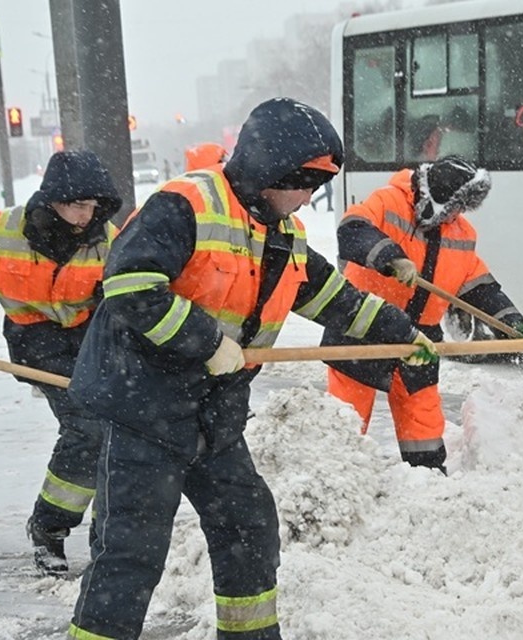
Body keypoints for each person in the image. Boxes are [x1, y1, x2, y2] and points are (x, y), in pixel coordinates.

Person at [64, 97, 438, 640]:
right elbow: (129, 286)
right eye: (304, 181)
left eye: (318, 185)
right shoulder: (186, 204)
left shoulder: (284, 233)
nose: (309, 196)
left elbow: (339, 300)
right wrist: (207, 343)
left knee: (248, 526)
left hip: (215, 413)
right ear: (270, 167)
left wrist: (404, 335)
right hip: (145, 407)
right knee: (132, 551)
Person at [0, 150, 122, 576]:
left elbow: (126, 298)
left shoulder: (109, 238)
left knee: (118, 430)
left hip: (89, 341)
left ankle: (108, 536)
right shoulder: (1, 231)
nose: (85, 215)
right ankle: (50, 528)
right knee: (87, 430)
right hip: (37, 343)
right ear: (53, 200)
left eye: (92, 206)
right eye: (76, 205)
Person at [321, 155, 523, 473]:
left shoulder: (462, 233)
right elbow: (352, 231)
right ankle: (332, 476)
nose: (459, 214)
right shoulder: (389, 201)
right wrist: (389, 256)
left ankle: (428, 479)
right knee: (344, 420)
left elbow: (479, 286)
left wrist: (510, 320)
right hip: (363, 327)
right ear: (441, 199)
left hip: (419, 340)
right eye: (456, 206)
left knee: (423, 422)